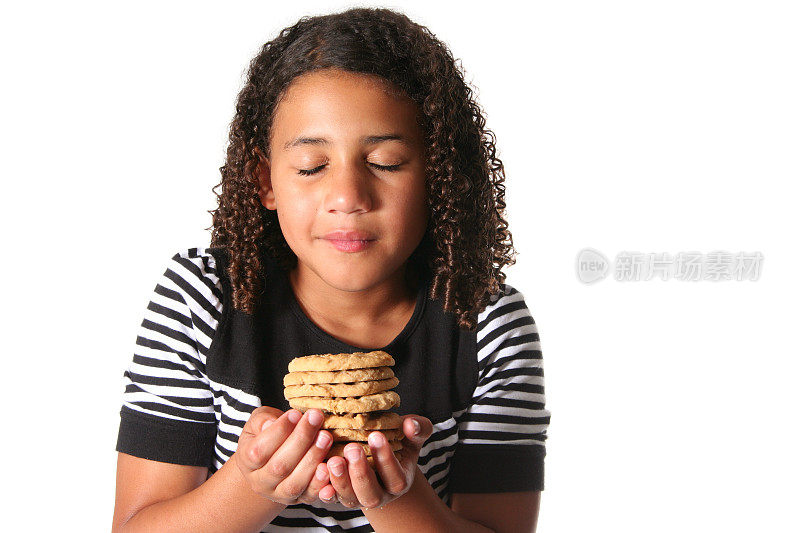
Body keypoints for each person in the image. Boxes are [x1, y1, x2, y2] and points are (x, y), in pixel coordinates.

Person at [112, 7, 551, 532]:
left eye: (386, 161)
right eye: (311, 167)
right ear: (266, 181)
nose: (347, 197)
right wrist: (253, 486)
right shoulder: (202, 300)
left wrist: (394, 499)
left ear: (439, 176)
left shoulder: (487, 323)